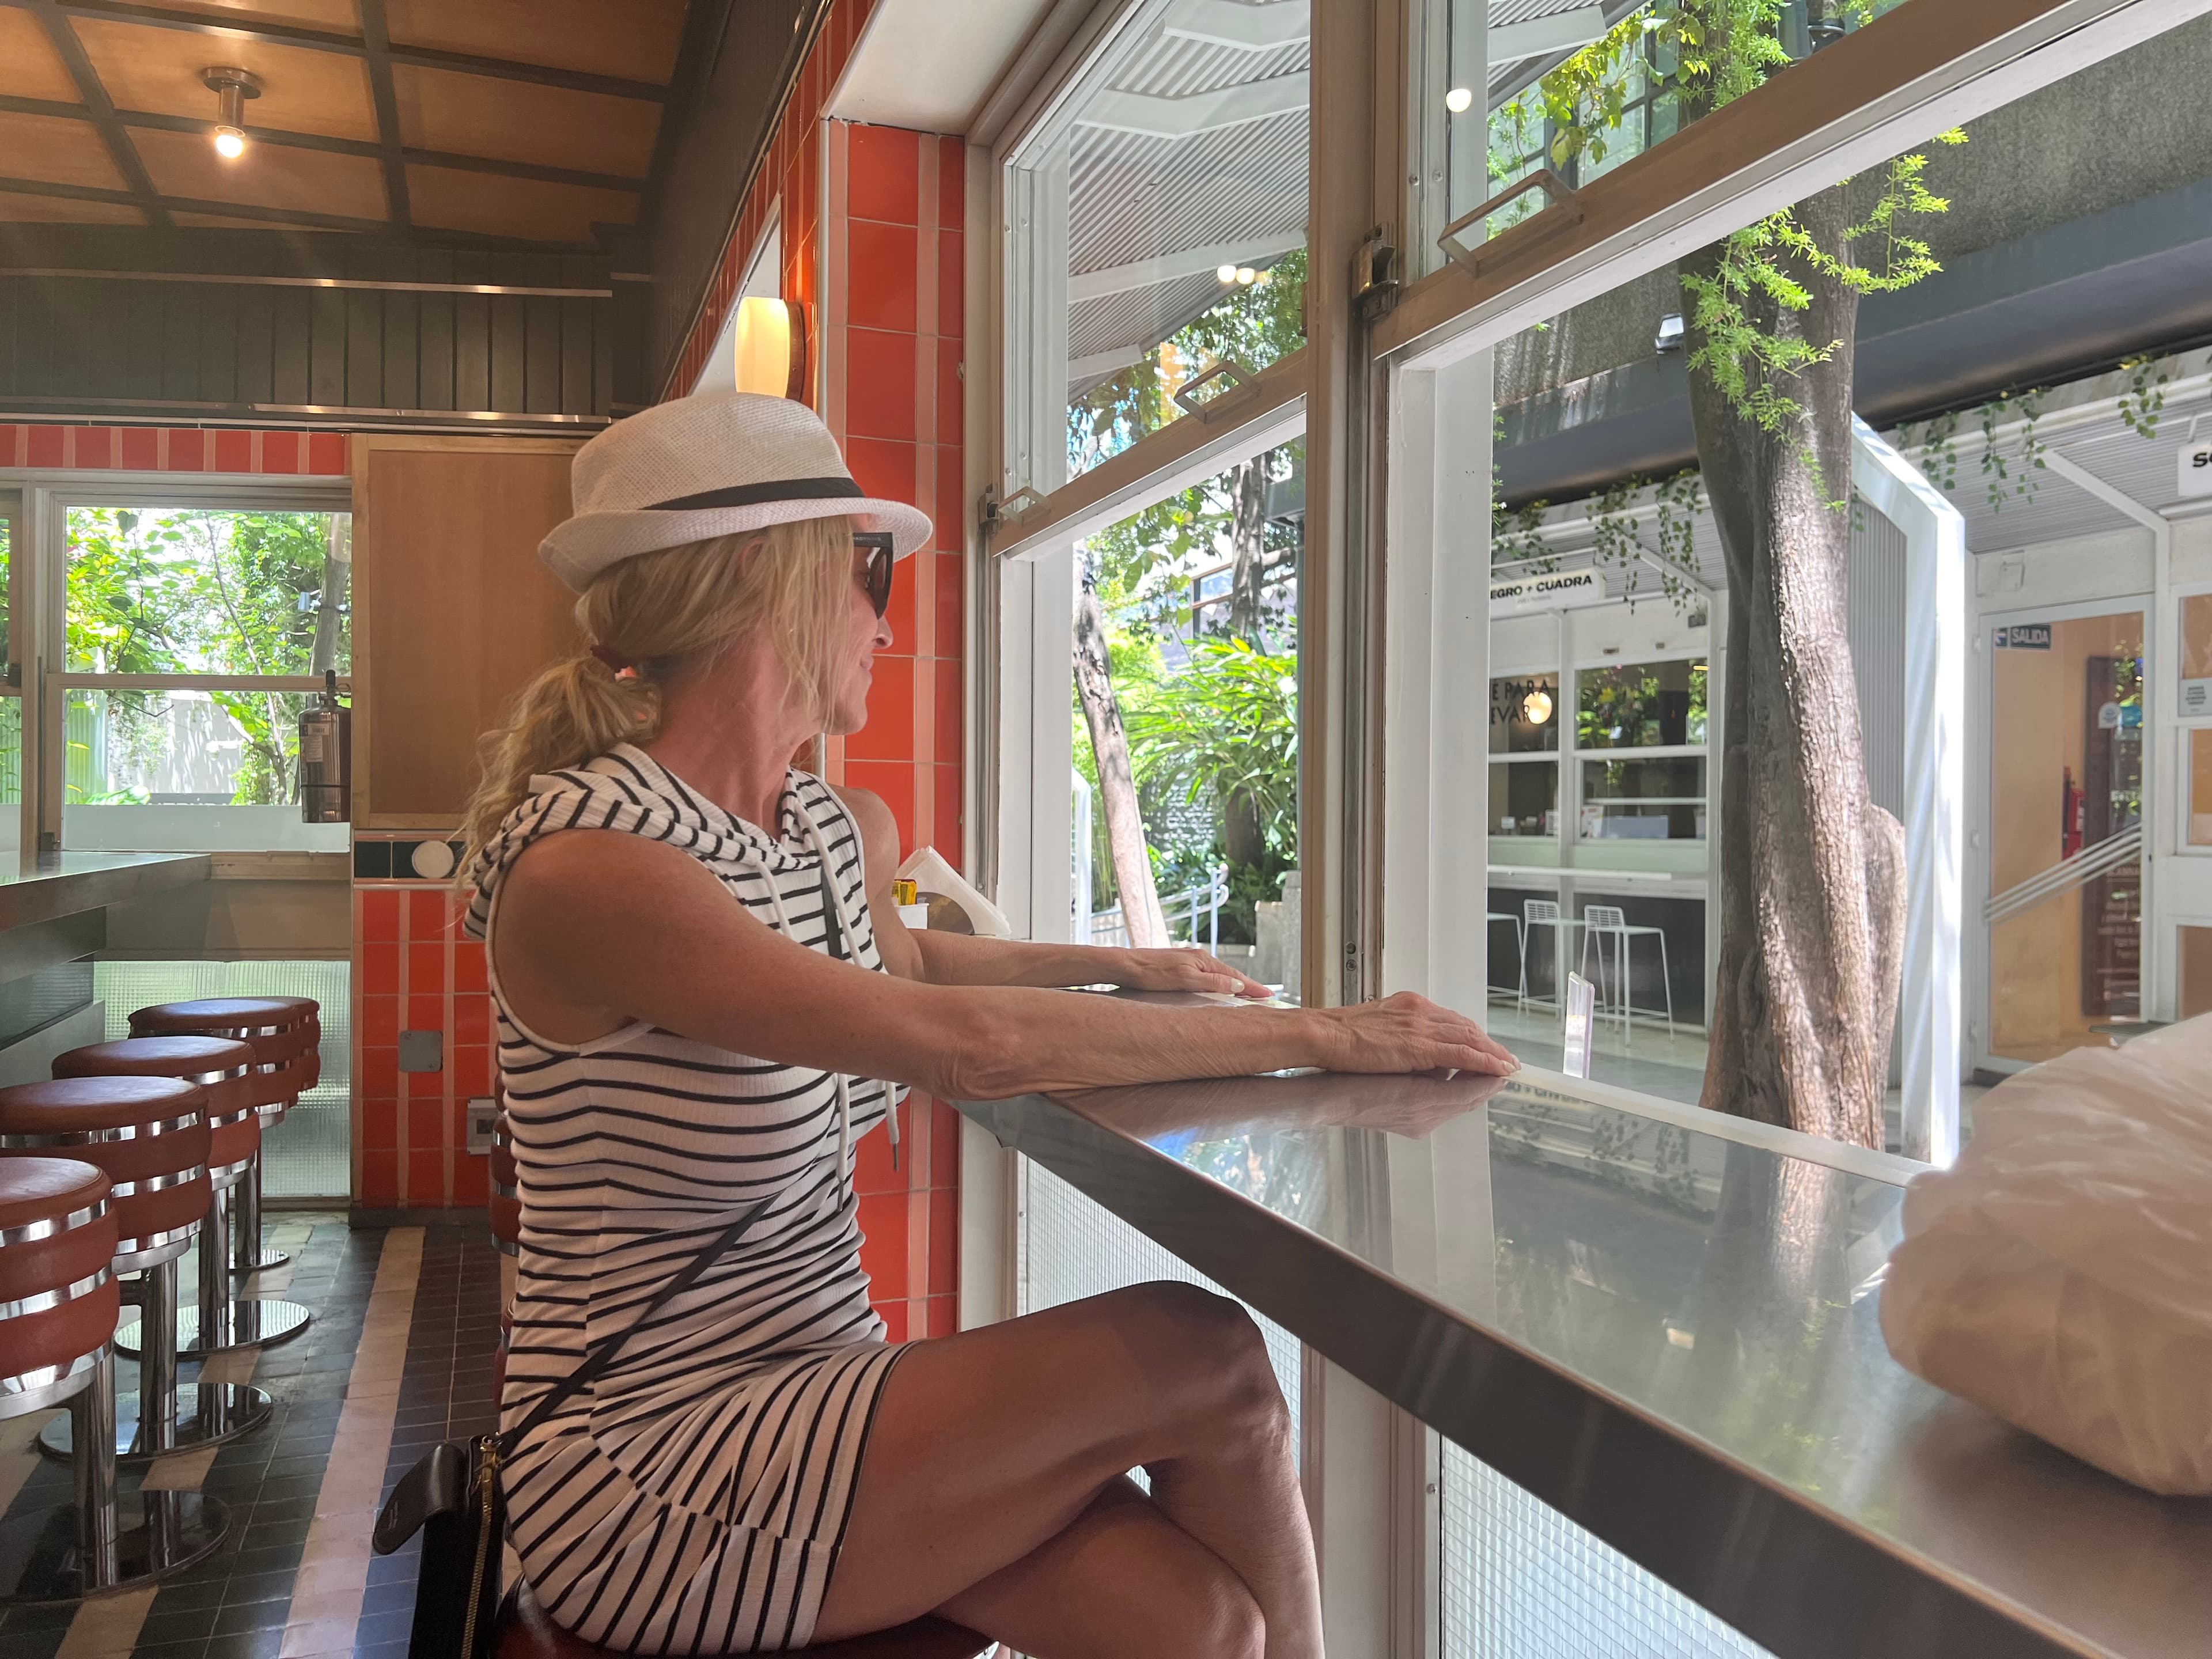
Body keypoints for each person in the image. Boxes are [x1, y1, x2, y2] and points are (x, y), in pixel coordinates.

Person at [460, 391, 1518, 1659]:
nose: (883, 624)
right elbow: (959, 1041)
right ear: (759, 574)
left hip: (821, 1380)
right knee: (1211, 1357)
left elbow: (916, 960)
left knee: (1203, 1626)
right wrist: (1329, 1036)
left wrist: (1128, 968)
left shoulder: (816, 831)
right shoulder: (596, 868)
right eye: (872, 576)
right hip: (649, 1459)